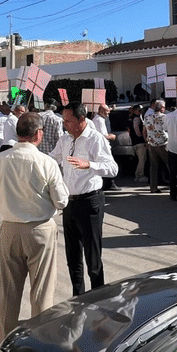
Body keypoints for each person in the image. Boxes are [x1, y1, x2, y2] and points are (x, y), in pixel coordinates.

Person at [0, 112, 69, 343]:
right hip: (40, 230)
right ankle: (39, 346)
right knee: (42, 292)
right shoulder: (46, 162)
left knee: (8, 291)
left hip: (10, 229)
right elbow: (62, 200)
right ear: (39, 134)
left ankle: (3, 345)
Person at [49, 102, 117, 296]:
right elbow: (52, 159)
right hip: (69, 203)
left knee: (92, 256)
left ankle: (98, 297)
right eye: (63, 120)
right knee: (72, 256)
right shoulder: (65, 139)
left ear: (81, 120)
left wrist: (90, 165)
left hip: (90, 202)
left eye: (68, 121)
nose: (65, 124)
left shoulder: (95, 139)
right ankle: (78, 297)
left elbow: (113, 169)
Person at [144, 99, 169, 194]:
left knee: (153, 166)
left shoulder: (147, 117)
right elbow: (168, 129)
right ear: (162, 108)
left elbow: (144, 130)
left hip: (151, 144)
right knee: (169, 165)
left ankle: (153, 187)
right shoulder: (165, 117)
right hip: (163, 144)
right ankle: (175, 185)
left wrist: (147, 140)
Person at [128, 104, 148, 183]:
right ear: (135, 111)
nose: (141, 112)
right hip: (139, 142)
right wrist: (141, 137)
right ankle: (140, 175)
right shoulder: (136, 119)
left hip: (135, 142)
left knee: (141, 159)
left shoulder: (131, 118)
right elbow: (136, 129)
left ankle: (138, 174)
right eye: (139, 110)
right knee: (142, 159)